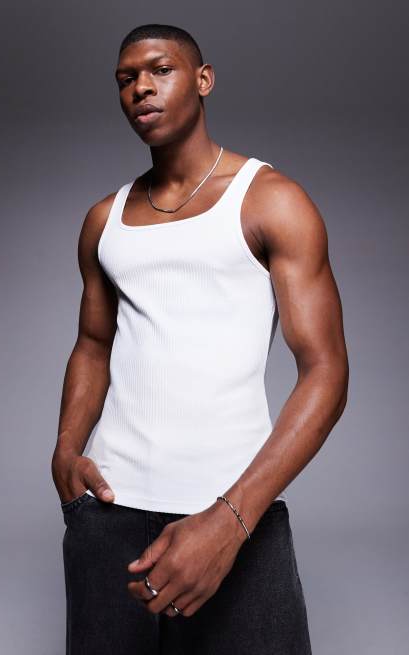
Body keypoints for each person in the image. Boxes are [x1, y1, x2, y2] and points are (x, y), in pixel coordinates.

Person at [51, 23, 348, 655]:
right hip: (108, 516)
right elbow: (92, 345)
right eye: (126, 79)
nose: (141, 88)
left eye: (160, 70)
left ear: (203, 79)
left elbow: (326, 372)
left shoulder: (271, 201)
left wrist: (232, 519)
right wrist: (66, 452)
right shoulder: (104, 220)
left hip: (235, 514)